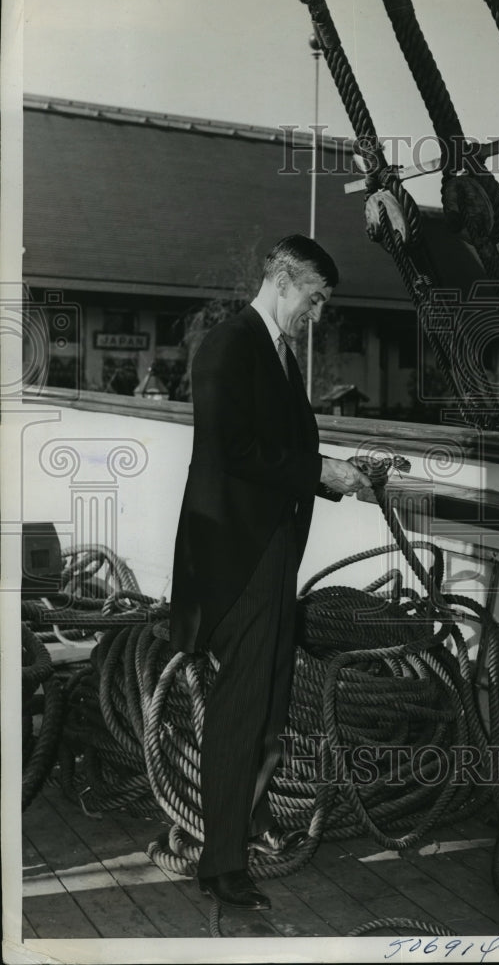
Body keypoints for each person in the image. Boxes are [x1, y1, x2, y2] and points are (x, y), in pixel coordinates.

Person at [169, 235, 371, 910]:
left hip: (269, 549)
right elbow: (235, 450)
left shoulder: (278, 354)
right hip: (237, 559)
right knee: (243, 707)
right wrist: (321, 472)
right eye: (314, 300)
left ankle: (245, 833)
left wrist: (346, 469)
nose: (317, 315)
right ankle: (220, 865)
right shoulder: (230, 345)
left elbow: (284, 448)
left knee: (271, 702)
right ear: (285, 280)